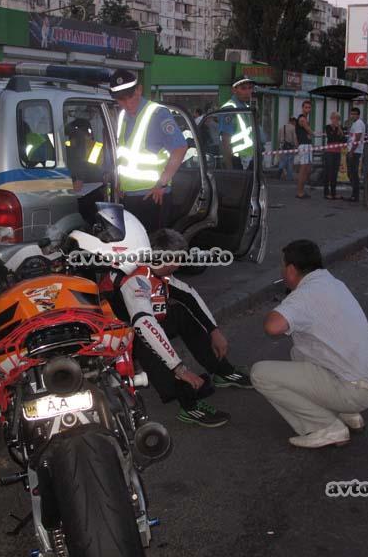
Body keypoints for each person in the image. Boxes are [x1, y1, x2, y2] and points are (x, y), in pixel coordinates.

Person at [72, 207, 253, 428]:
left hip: (139, 326)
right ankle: (189, 406)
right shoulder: (135, 278)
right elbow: (144, 326)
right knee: (149, 343)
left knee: (180, 313)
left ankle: (222, 370)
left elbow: (189, 295)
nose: (181, 263)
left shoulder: (156, 269)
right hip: (119, 337)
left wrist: (214, 331)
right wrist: (180, 369)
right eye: (178, 259)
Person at [251, 240, 368, 449]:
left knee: (260, 373)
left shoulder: (304, 296)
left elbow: (273, 326)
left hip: (353, 390)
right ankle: (347, 414)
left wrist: (283, 305)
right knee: (300, 352)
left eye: (282, 267)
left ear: (291, 269)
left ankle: (326, 427)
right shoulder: (333, 283)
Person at [109, 69, 188, 233]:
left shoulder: (158, 113)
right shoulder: (123, 116)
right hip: (128, 196)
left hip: (153, 195)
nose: (126, 103)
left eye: (129, 97)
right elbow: (124, 153)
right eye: (120, 99)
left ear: (139, 89)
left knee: (154, 248)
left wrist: (162, 183)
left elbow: (180, 148)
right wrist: (118, 182)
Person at [219, 77, 256, 170]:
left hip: (250, 160)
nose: (248, 91)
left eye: (250, 88)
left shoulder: (246, 108)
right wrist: (230, 168)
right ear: (234, 90)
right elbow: (225, 140)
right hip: (236, 161)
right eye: (243, 88)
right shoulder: (229, 109)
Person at [344, 107, 365, 202]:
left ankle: (355, 195)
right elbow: (351, 136)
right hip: (351, 150)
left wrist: (352, 151)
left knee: (353, 173)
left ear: (358, 115)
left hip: (355, 152)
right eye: (351, 113)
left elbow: (357, 138)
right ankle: (355, 192)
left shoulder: (359, 124)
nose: (352, 115)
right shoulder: (353, 123)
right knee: (350, 173)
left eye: (354, 114)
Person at [295, 100, 314, 199]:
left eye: (309, 107)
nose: (307, 109)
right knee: (303, 169)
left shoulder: (304, 118)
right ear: (302, 108)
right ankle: (300, 192)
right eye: (306, 107)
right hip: (304, 146)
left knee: (307, 169)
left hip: (306, 145)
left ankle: (301, 190)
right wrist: (312, 133)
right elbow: (309, 131)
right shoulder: (302, 118)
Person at [323, 112, 344, 199]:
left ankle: (334, 193)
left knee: (335, 173)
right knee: (328, 172)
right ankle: (326, 193)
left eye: (337, 118)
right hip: (329, 152)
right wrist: (336, 131)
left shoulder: (340, 128)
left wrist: (338, 128)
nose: (335, 120)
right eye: (334, 118)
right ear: (331, 118)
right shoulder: (328, 127)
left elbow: (342, 139)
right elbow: (331, 138)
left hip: (337, 152)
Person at [278, 117, 298, 181]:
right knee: (290, 162)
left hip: (282, 146)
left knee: (283, 160)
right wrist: (296, 146)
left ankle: (280, 169)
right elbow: (294, 138)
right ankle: (289, 177)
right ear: (293, 122)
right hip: (290, 147)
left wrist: (278, 147)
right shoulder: (293, 128)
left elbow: (278, 138)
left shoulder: (282, 127)